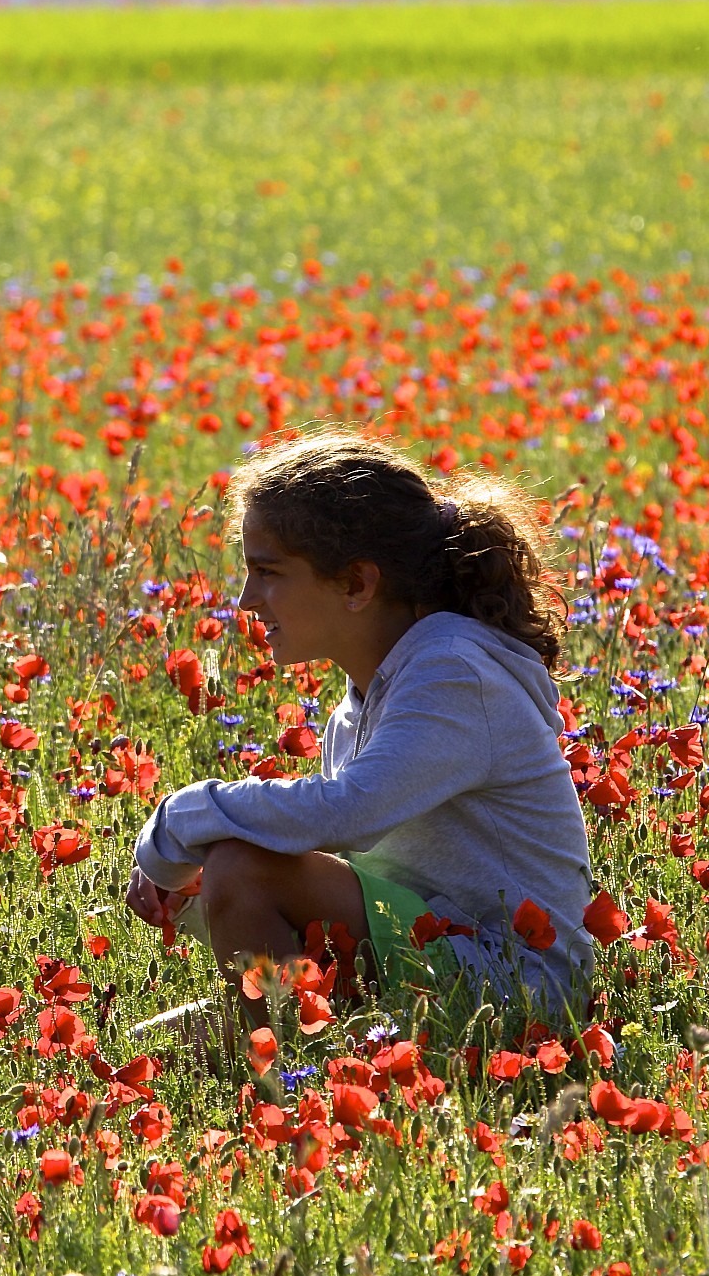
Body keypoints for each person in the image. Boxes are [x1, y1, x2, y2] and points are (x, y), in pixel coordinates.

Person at [126, 433, 593, 1021]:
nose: (246, 600)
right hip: (436, 950)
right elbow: (345, 864)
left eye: (267, 572)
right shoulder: (366, 697)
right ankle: (292, 1033)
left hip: (519, 981)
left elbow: (345, 812)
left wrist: (180, 822)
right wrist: (191, 880)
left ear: (356, 584)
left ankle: (285, 1052)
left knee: (242, 870)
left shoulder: (453, 672)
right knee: (169, 1039)